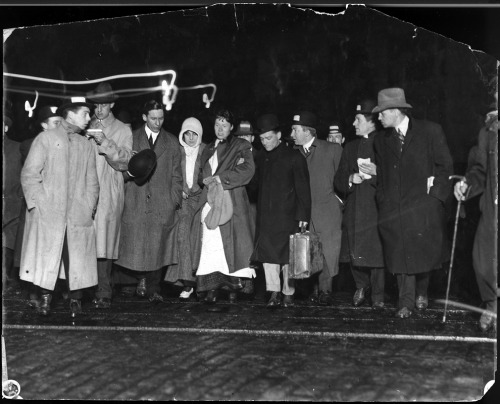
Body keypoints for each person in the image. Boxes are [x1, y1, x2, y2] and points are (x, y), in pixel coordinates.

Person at [372, 87, 453, 318]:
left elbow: (445, 167)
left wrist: (435, 198)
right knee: (399, 254)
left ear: (395, 111)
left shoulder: (430, 131)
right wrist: (383, 200)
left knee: (423, 252)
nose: (378, 117)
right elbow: (382, 177)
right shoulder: (380, 140)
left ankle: (422, 292)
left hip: (423, 207)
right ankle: (405, 302)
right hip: (393, 208)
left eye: (381, 113)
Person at [19, 96, 99, 317]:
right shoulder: (46, 139)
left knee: (75, 259)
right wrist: (38, 206)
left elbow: (92, 181)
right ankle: (45, 298)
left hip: (78, 215)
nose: (88, 117)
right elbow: (30, 175)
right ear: (70, 113)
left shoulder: (86, 145)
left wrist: (89, 206)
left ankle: (76, 301)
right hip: (49, 214)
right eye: (84, 113)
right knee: (49, 256)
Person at [115, 100, 183, 302]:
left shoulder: (171, 143)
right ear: (144, 117)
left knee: (157, 247)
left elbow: (177, 176)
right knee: (134, 246)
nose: (158, 122)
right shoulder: (130, 138)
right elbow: (120, 169)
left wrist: (173, 200)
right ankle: (136, 281)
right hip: (134, 201)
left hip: (161, 204)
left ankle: (153, 289)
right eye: (153, 118)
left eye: (161, 118)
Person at [190, 108, 256, 304]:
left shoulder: (241, 145)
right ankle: (211, 288)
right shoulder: (208, 148)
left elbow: (247, 170)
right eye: (217, 124)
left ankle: (233, 287)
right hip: (210, 202)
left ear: (231, 127)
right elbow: (202, 175)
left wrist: (221, 178)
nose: (220, 128)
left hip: (231, 202)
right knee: (211, 246)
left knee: (231, 246)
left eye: (224, 125)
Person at [251, 113, 311, 308]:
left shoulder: (295, 157)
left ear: (279, 135)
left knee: (287, 258)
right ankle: (274, 292)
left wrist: (303, 216)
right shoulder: (260, 157)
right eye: (261, 139)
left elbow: (303, 190)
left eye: (269, 138)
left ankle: (288, 292)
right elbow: (254, 186)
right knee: (268, 257)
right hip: (267, 217)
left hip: (288, 217)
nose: (265, 142)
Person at [86, 82, 133, 309]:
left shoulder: (123, 129)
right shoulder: (85, 125)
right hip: (86, 190)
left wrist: (104, 141)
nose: (99, 110)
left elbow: (125, 162)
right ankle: (84, 288)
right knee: (85, 240)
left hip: (108, 191)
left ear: (112, 104)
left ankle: (104, 290)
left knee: (104, 242)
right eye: (96, 105)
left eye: (103, 105)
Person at [334, 99, 385, 308]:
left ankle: (378, 296)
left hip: (376, 207)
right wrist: (349, 179)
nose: (354, 124)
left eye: (358, 119)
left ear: (371, 122)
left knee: (377, 252)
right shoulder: (350, 147)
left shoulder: (383, 143)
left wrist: (376, 174)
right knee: (354, 251)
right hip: (355, 208)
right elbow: (338, 179)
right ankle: (361, 286)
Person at [290, 111, 343, 305]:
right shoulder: (292, 152)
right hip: (303, 212)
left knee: (328, 252)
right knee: (307, 251)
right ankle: (312, 290)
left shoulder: (332, 150)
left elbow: (343, 180)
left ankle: (326, 291)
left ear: (306, 131)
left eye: (295, 130)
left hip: (327, 211)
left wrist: (338, 203)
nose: (292, 134)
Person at [454, 101, 497, 331]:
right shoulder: (488, 132)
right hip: (492, 209)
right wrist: (466, 184)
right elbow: (480, 170)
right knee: (482, 261)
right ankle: (492, 303)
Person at [14, 105, 62, 304]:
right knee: (35, 252)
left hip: (58, 207)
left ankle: (53, 293)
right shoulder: (29, 144)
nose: (60, 126)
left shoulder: (65, 142)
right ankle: (34, 294)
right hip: (38, 207)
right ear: (44, 125)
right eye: (55, 123)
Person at [164, 117, 206, 300]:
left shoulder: (206, 151)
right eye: (187, 134)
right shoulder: (178, 151)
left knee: (199, 239)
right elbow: (171, 174)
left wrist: (198, 189)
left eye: (194, 134)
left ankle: (202, 282)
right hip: (184, 200)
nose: (190, 138)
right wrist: (180, 190)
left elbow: (210, 174)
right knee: (182, 237)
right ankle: (187, 281)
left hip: (202, 199)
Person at [3, 105, 22, 292]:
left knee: (8, 243)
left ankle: (8, 277)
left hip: (11, 207)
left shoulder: (17, 149)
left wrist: (17, 197)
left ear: (6, 128)